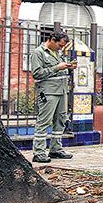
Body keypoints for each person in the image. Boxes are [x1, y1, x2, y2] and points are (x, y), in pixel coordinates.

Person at [30, 31, 76, 163]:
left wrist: (69, 67)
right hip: (48, 92)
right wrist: (56, 67)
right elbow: (37, 73)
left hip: (62, 91)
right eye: (60, 45)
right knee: (44, 121)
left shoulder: (58, 53)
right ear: (52, 40)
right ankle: (39, 152)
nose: (61, 48)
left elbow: (61, 70)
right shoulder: (39, 53)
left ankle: (56, 149)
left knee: (60, 120)